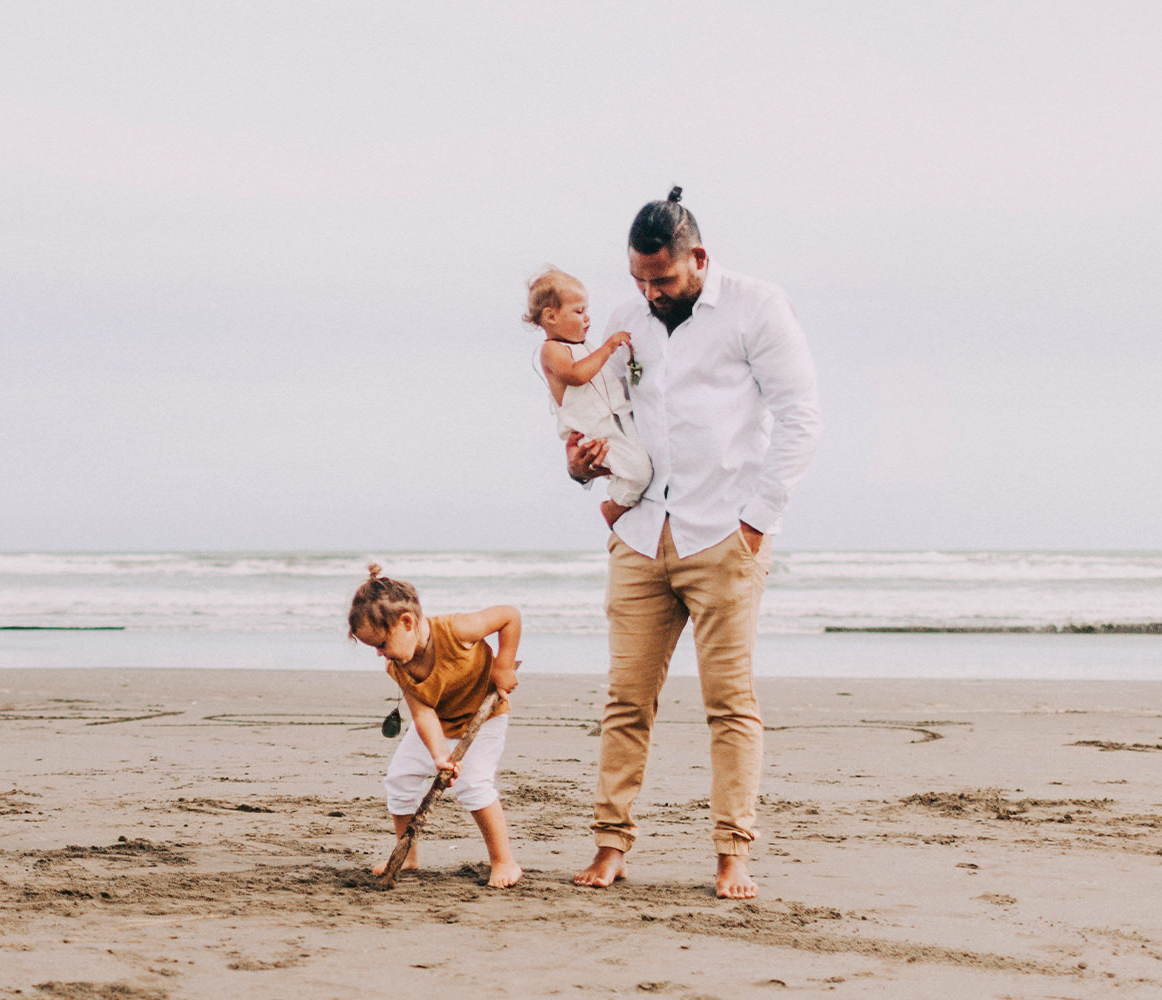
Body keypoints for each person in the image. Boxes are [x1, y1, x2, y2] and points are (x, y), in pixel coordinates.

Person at [566, 187, 821, 899]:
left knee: (729, 704)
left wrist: (757, 520)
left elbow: (801, 417)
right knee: (625, 701)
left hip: (725, 536)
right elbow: (599, 412)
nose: (650, 293)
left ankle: (732, 853)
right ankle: (611, 844)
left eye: (664, 279)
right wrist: (583, 467)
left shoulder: (757, 307)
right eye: (639, 279)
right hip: (643, 534)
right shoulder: (626, 321)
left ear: (698, 258)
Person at [347, 564, 525, 888]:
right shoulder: (397, 666)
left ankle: (504, 861)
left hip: (484, 718)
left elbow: (509, 615)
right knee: (399, 779)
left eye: (382, 644)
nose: (379, 654)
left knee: (474, 784)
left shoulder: (457, 630)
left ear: (407, 623)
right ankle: (408, 855)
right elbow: (424, 714)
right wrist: (440, 755)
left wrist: (502, 664)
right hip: (440, 722)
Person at [528, 267, 652, 520]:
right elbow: (576, 374)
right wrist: (608, 348)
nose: (587, 318)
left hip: (617, 420)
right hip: (595, 430)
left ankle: (621, 498)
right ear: (551, 317)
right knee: (639, 472)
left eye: (587, 311)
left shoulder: (586, 347)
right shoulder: (551, 350)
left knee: (639, 467)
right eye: (579, 311)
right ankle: (614, 508)